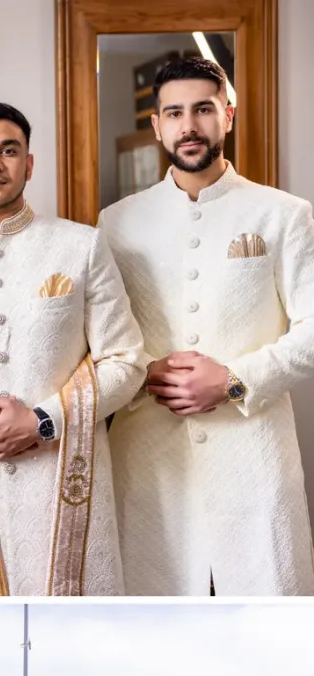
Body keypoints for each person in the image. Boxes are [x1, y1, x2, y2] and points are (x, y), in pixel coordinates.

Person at [100, 55, 314, 595]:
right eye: (173, 112)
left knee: (267, 635)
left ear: (229, 115)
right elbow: (101, 339)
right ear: (156, 125)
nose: (188, 125)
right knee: (156, 631)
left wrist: (235, 380)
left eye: (202, 109)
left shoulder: (284, 214)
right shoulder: (116, 221)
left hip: (254, 454)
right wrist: (145, 373)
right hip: (149, 461)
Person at [0, 102, 144, 595]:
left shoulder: (80, 246)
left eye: (8, 150)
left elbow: (126, 361)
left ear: (29, 163)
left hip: (63, 472)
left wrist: (43, 421)